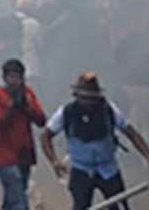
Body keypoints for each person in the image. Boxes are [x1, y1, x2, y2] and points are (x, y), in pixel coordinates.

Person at [40, 72, 149, 210]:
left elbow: (132, 133)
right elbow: (45, 137)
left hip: (108, 169)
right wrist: (54, 161)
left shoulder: (109, 110)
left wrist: (147, 155)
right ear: (77, 95)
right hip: (81, 170)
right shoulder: (66, 112)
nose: (88, 102)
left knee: (120, 206)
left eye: (91, 98)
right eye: (84, 98)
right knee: (81, 206)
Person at [0, 58, 46, 210]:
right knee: (19, 199)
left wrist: (27, 106)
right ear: (4, 78)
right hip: (3, 155)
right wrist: (11, 107)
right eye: (11, 77)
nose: (15, 81)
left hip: (24, 155)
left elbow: (41, 120)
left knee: (12, 198)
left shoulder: (28, 93)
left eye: (18, 77)